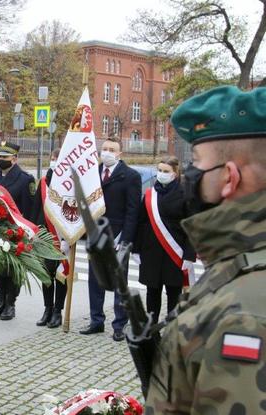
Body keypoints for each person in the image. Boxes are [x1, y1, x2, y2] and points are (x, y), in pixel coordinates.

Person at [144, 85, 266, 413]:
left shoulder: (242, 318)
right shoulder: (241, 266)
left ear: (229, 177)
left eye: (196, 164)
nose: (189, 177)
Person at [79, 137, 141, 341]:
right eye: (104, 148)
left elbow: (133, 212)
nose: (106, 152)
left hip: (118, 237)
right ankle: (96, 321)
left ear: (119, 153)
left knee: (118, 283)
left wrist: (124, 240)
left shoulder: (130, 176)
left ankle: (119, 325)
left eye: (111, 149)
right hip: (96, 236)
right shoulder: (93, 173)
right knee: (95, 280)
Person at [133, 156, 195, 319]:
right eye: (159, 170)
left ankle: (172, 331)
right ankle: (151, 332)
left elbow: (192, 227)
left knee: (173, 295)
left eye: (166, 171)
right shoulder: (150, 194)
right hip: (151, 252)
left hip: (174, 253)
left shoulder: (185, 194)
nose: (161, 174)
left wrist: (189, 255)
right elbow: (140, 223)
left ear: (175, 173)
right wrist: (136, 249)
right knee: (152, 294)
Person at [0, 141, 35, 320]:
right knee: (0, 268)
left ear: (14, 159)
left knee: (14, 269)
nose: (1, 160)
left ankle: (10, 304)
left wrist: (26, 234)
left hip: (16, 232)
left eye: (5, 157)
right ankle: (0, 301)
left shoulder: (25, 179)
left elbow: (29, 210)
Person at [29, 148, 67, 328]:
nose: (55, 161)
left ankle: (58, 311)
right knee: (46, 275)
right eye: (53, 158)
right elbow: (35, 209)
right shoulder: (44, 182)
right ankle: (47, 309)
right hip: (44, 236)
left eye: (59, 159)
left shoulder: (70, 184)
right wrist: (32, 233)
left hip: (63, 237)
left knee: (61, 275)